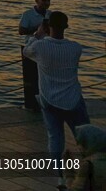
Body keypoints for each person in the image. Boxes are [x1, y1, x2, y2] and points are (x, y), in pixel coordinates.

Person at [23, 11, 90, 166]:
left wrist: (37, 34)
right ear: (66, 26)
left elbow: (26, 51)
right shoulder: (75, 48)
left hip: (49, 98)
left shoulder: (40, 46)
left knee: (55, 136)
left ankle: (60, 173)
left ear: (48, 26)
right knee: (83, 134)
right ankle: (90, 164)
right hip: (73, 98)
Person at [18, 0, 53, 107]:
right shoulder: (28, 14)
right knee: (33, 77)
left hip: (48, 47)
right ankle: (33, 102)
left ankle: (45, 100)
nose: (46, 3)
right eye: (44, 0)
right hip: (32, 48)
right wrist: (38, 28)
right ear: (37, 0)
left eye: (48, 0)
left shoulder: (50, 14)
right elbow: (21, 31)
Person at [62, 123, 106, 191]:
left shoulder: (88, 165)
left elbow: (74, 190)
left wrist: (69, 171)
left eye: (81, 143)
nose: (79, 148)